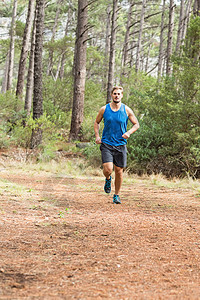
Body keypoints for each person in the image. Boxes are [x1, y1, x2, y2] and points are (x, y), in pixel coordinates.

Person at [94, 86, 139, 204]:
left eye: (119, 94)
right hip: (107, 143)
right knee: (108, 169)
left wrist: (129, 132)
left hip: (120, 144)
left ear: (122, 95)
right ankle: (108, 179)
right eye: (114, 94)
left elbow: (136, 124)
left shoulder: (127, 110)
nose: (117, 96)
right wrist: (97, 136)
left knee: (119, 171)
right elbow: (96, 122)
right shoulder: (104, 109)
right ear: (111, 95)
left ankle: (117, 195)